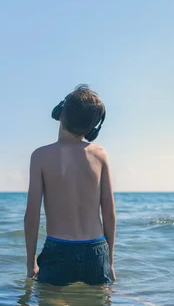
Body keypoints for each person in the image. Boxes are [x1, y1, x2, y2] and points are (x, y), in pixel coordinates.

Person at [23, 84, 116, 286]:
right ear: (93, 128)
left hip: (58, 249)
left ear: (60, 113)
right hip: (96, 249)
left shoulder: (40, 156)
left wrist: (31, 264)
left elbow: (32, 214)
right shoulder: (100, 155)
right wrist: (110, 261)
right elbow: (109, 212)